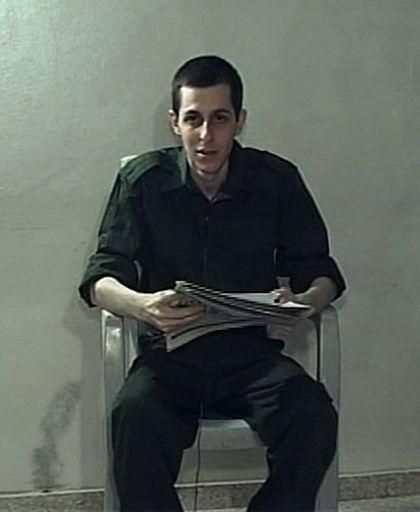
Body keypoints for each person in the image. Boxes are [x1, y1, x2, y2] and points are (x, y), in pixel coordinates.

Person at [79, 55, 346, 512]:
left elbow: (319, 269)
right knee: (133, 416)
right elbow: (101, 277)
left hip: (252, 359)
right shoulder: (143, 180)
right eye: (193, 119)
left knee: (313, 415)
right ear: (175, 123)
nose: (206, 136)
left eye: (220, 119)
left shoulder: (276, 180)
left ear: (239, 121)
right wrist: (143, 306)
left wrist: (304, 302)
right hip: (171, 359)